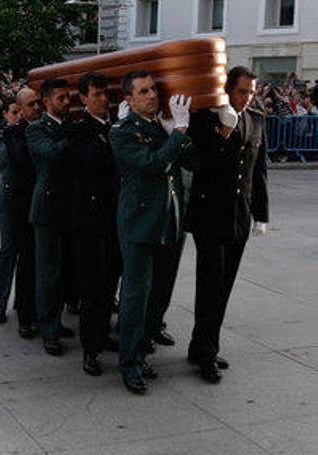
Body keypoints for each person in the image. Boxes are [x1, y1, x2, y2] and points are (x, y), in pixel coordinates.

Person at [109, 70, 195, 395]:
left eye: (153, 89)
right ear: (129, 100)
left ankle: (143, 349)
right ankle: (130, 363)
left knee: (160, 293)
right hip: (139, 224)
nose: (152, 95)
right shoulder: (122, 132)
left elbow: (193, 162)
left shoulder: (162, 126)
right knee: (135, 296)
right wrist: (178, 132)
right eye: (143, 91)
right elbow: (155, 165)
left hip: (169, 220)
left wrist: (178, 131)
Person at [185, 66, 270, 383]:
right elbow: (201, 164)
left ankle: (201, 345)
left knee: (224, 286)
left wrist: (261, 213)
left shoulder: (256, 119)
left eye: (251, 92)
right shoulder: (206, 119)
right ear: (228, 89)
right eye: (241, 91)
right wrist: (223, 131)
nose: (247, 98)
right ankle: (207, 354)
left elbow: (258, 171)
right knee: (210, 285)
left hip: (239, 214)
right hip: (210, 214)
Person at [67, 72, 120, 376]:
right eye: (96, 94)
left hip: (113, 219)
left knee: (109, 285)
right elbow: (91, 160)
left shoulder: (114, 127)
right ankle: (90, 348)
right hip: (89, 220)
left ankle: (102, 334)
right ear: (83, 98)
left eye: (105, 94)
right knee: (91, 287)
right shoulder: (79, 130)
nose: (103, 100)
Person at [26, 78, 75, 357]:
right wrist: (74, 135)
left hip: (69, 207)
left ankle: (56, 321)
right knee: (48, 273)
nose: (67, 102)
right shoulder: (36, 129)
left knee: (64, 270)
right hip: (47, 208)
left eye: (68, 97)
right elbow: (53, 153)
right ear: (46, 102)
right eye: (61, 98)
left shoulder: (67, 126)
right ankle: (48, 329)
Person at [0, 89, 40, 339]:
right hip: (9, 201)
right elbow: (5, 160)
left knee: (27, 255)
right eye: (14, 113)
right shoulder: (2, 135)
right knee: (8, 251)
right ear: (6, 114)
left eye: (19, 112)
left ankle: (22, 303)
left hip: (27, 199)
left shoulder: (30, 132)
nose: (18, 116)